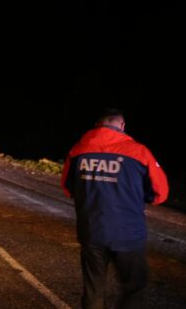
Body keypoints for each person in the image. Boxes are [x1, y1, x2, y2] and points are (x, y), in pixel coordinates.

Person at [61, 109, 168, 309]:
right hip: (128, 234)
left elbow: (68, 188)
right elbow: (160, 193)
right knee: (134, 286)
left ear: (96, 126)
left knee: (93, 289)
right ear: (122, 126)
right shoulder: (139, 152)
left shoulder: (78, 151)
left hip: (91, 231)